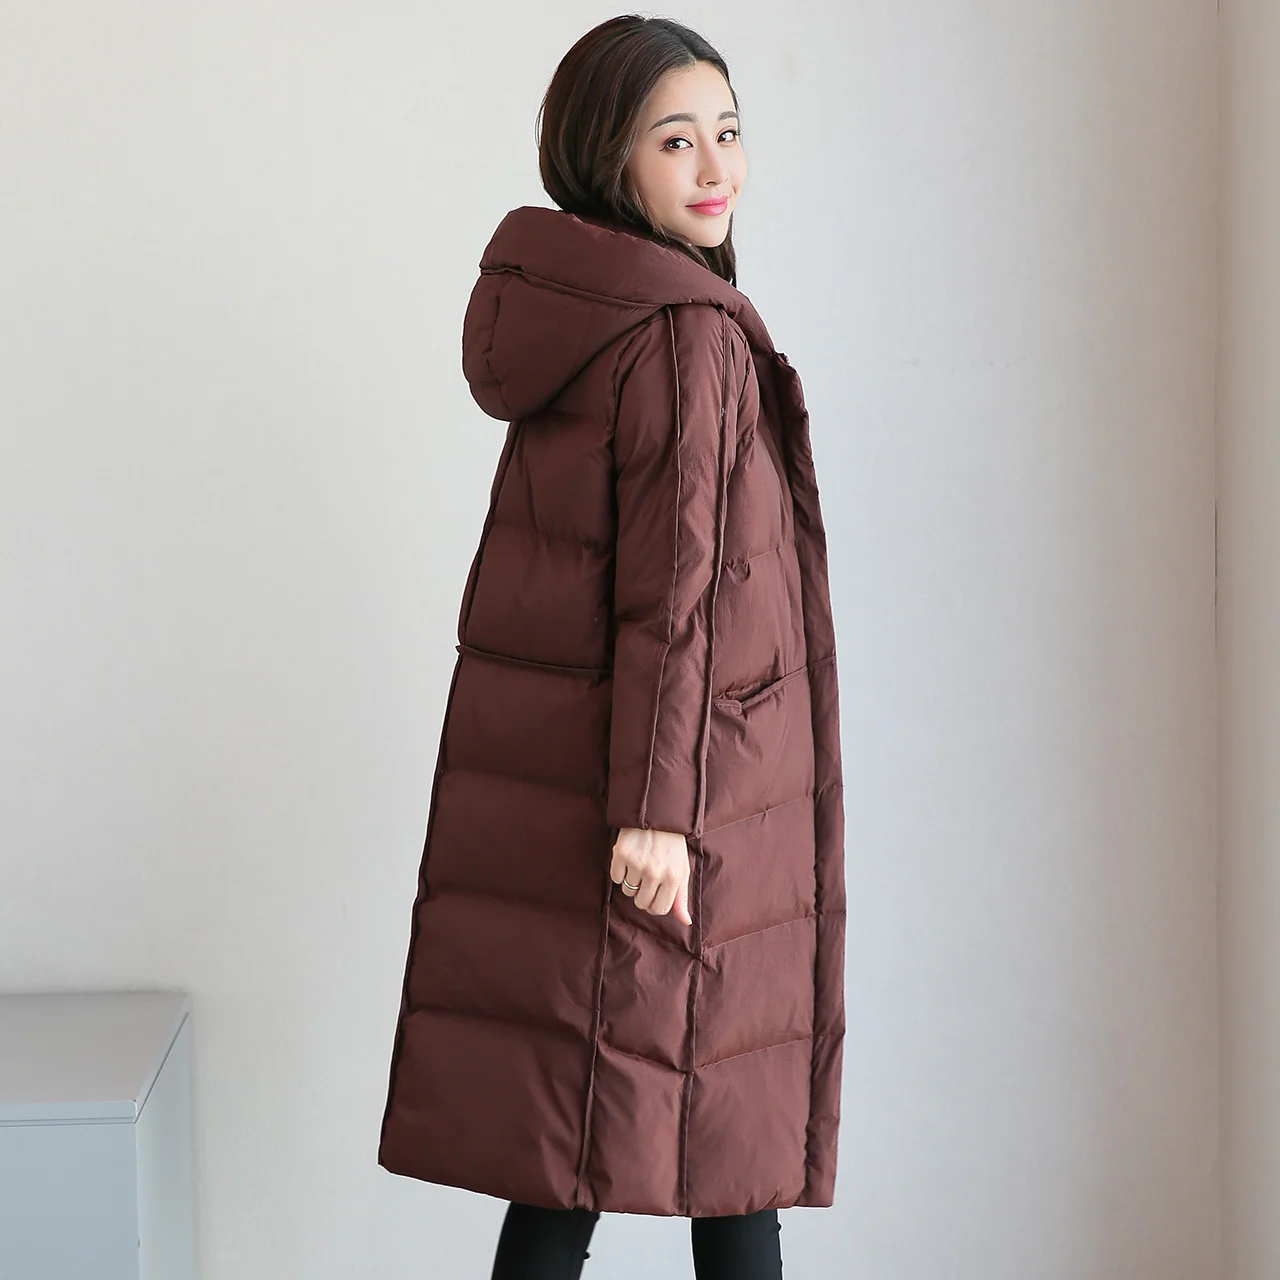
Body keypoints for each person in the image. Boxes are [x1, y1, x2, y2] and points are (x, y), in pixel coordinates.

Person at [376, 14, 846, 1279]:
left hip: (621, 774)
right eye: (674, 140)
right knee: (719, 1145)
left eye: (728, 132)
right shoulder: (685, 334)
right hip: (686, 794)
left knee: (586, 1141)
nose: (715, 166)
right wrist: (657, 811)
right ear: (607, 157)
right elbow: (673, 593)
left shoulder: (593, 312)